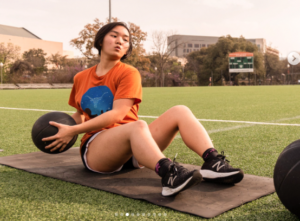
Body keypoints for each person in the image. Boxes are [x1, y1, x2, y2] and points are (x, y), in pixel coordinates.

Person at [42, 22, 243, 197]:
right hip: (98, 151)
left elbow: (118, 114)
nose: (120, 41)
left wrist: (73, 130)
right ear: (100, 40)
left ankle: (212, 163)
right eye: (114, 36)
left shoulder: (129, 73)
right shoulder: (81, 78)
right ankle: (169, 174)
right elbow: (80, 114)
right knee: (137, 126)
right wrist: (64, 129)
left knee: (179, 110)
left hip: (136, 146)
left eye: (126, 39)